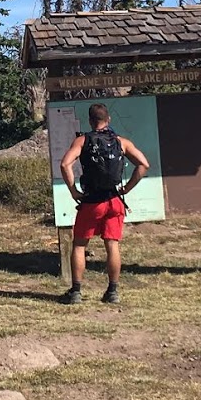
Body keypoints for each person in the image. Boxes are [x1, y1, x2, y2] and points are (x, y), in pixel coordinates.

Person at [58, 102, 149, 305]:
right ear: (108, 120)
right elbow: (144, 164)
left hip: (91, 201)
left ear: (91, 121)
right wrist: (127, 188)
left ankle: (76, 292)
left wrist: (74, 191)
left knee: (80, 245)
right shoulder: (121, 142)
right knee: (112, 244)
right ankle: (113, 291)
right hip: (114, 201)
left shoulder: (83, 141)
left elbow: (65, 164)